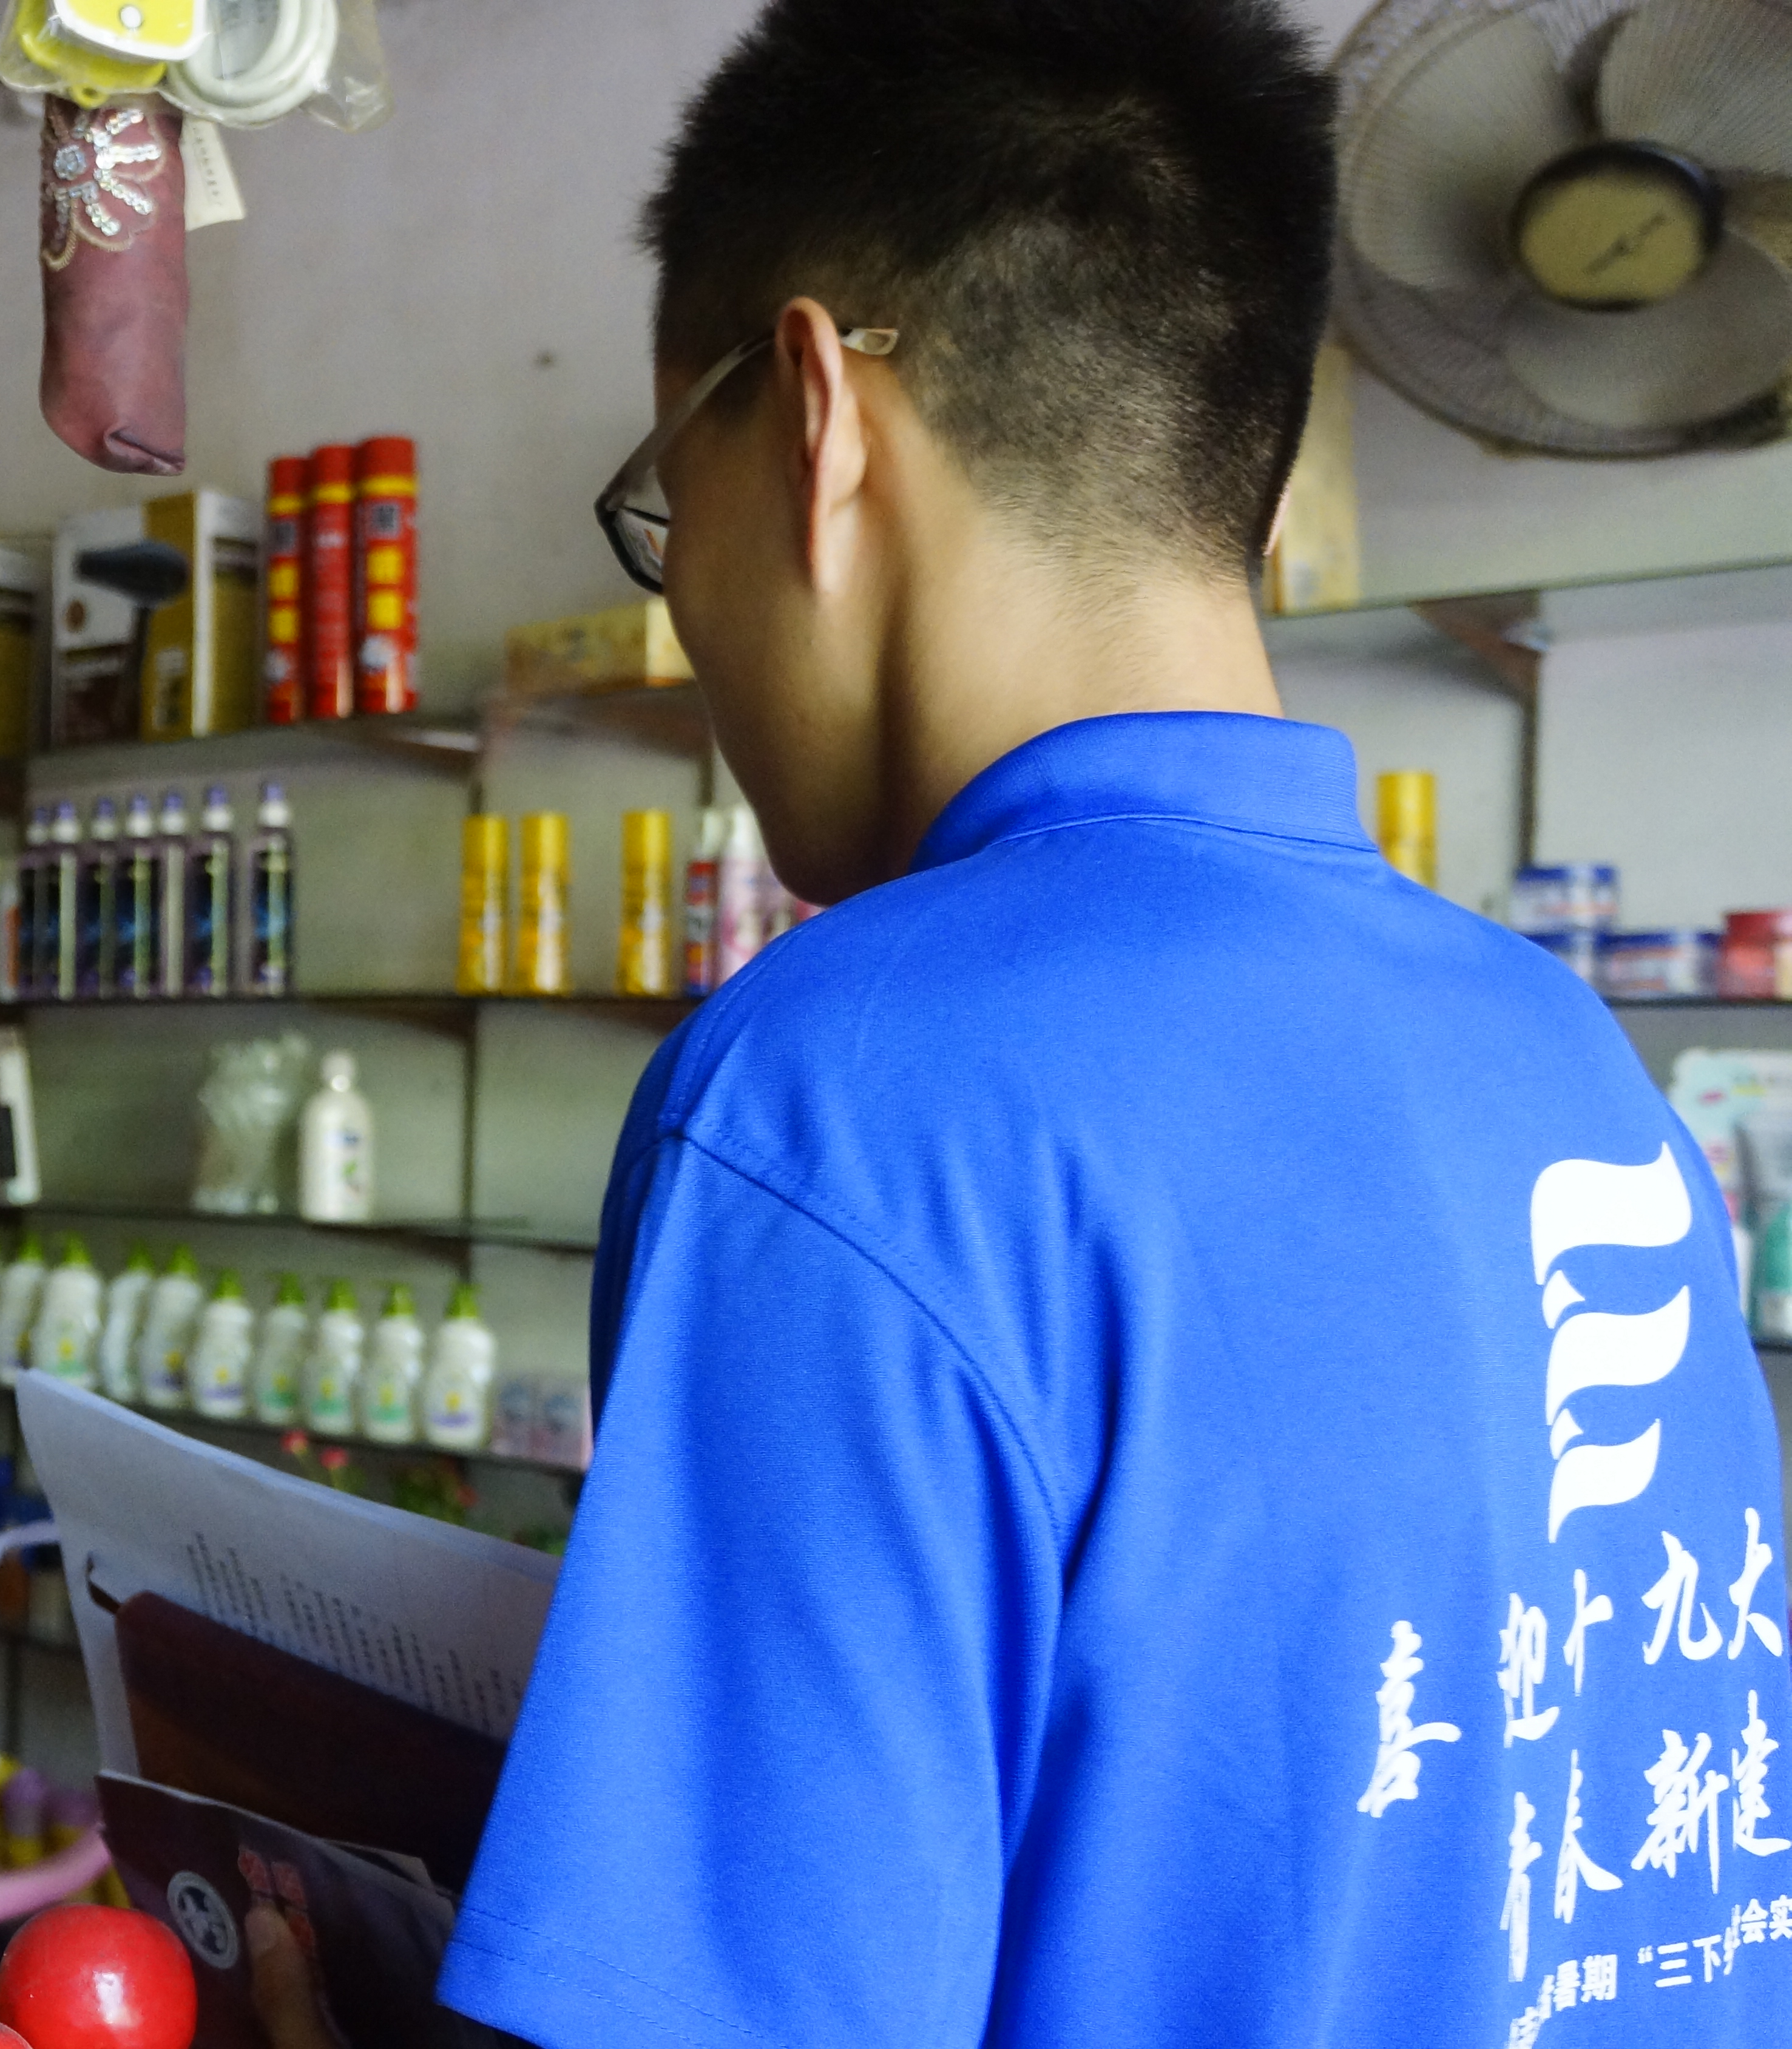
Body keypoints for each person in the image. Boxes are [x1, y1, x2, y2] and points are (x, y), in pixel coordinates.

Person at [442, 2, 1785, 2044]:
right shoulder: (1564, 1057)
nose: (682, 600)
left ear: (814, 420)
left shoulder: (841, 1096)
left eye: (660, 502)